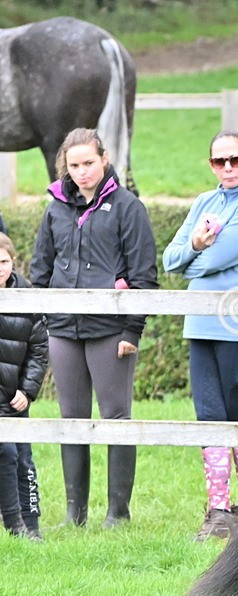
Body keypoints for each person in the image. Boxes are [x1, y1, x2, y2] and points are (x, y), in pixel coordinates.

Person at [29, 128, 158, 528]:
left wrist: (131, 332)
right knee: (72, 418)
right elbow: (39, 270)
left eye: (89, 163)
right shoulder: (54, 208)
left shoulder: (128, 207)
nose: (82, 172)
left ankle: (118, 512)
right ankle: (74, 513)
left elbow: (144, 275)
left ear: (103, 159)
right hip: (63, 330)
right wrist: (44, 322)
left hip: (110, 330)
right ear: (64, 166)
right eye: (74, 165)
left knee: (116, 417)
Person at [163, 131, 238, 542]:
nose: (227, 167)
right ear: (211, 164)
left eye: (234, 159)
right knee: (208, 417)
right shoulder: (203, 203)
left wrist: (194, 254)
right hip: (201, 323)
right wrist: (194, 246)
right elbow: (170, 258)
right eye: (218, 162)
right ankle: (217, 512)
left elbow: (211, 259)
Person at [0, 233, 49, 540]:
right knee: (4, 452)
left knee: (23, 456)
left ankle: (31, 525)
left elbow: (39, 348)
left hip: (15, 394)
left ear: (13, 261)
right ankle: (14, 523)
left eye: (3, 261)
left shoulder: (27, 295)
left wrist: (28, 390)